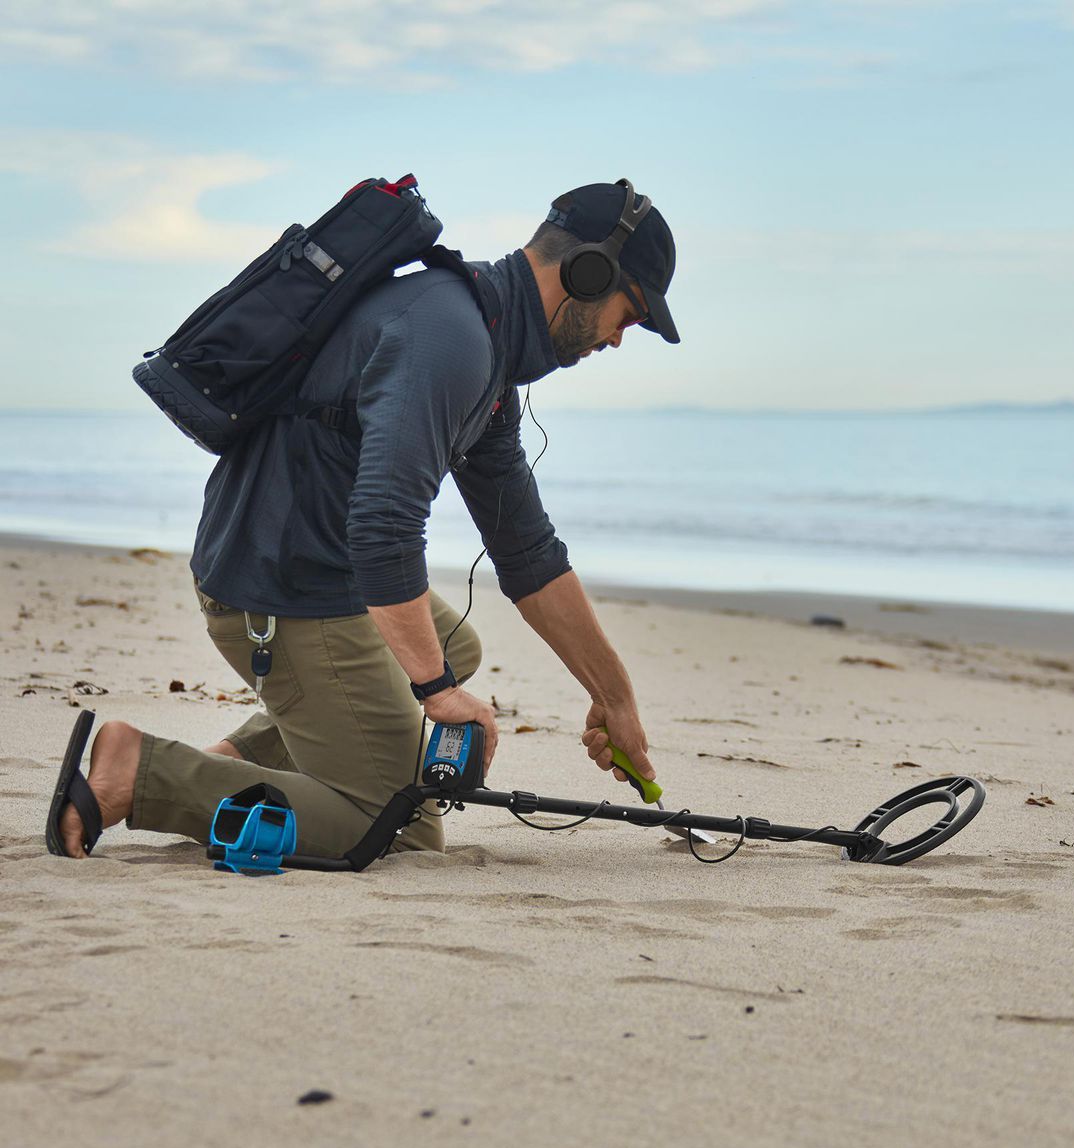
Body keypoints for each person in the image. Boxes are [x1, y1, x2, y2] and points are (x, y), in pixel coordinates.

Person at [47, 179, 680, 862]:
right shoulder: (451, 338)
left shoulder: (483, 344)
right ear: (589, 275)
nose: (621, 338)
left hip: (304, 568)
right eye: (631, 313)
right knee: (392, 827)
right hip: (283, 589)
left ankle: (231, 764)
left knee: (454, 646)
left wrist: (614, 697)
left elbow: (527, 551)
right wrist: (437, 692)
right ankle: (142, 773)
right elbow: (384, 529)